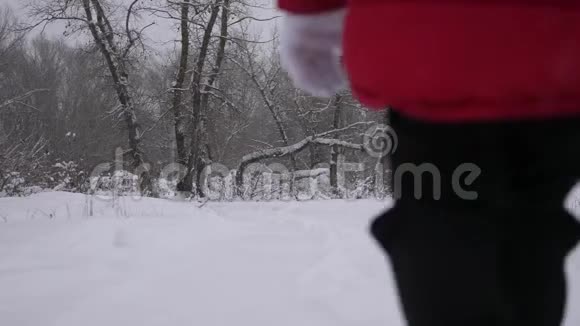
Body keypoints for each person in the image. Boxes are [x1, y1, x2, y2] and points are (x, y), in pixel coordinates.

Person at [277, 1, 580, 325]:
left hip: (430, 56)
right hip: (553, 58)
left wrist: (308, 15)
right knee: (529, 229)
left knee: (439, 232)